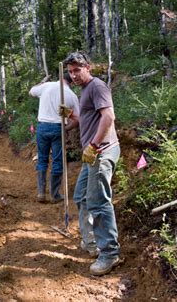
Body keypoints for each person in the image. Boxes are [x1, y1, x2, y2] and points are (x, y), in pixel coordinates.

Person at [63, 51, 121, 276]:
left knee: (98, 202)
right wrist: (67, 113)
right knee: (81, 196)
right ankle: (91, 243)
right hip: (92, 154)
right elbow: (84, 117)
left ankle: (109, 253)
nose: (74, 75)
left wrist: (94, 145)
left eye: (77, 70)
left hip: (101, 152)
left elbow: (108, 117)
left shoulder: (97, 86)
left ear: (88, 67)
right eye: (70, 72)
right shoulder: (85, 90)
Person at [29, 74, 79, 203]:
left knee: (42, 159)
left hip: (42, 127)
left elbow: (32, 91)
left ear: (60, 78)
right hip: (58, 128)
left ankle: (41, 193)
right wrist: (67, 129)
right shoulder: (71, 95)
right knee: (57, 160)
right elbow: (77, 119)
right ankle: (54, 194)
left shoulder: (47, 86)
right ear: (71, 82)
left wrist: (42, 81)